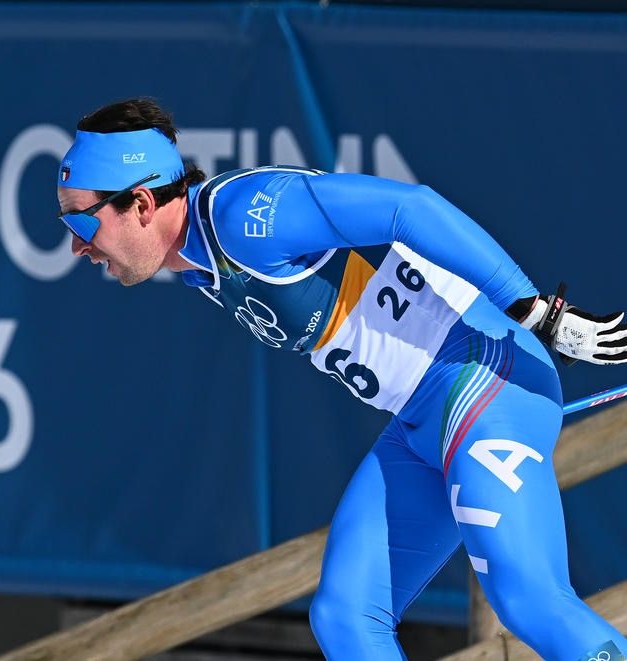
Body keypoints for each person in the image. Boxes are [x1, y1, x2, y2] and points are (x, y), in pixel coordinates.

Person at [55, 98, 627, 661]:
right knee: (346, 617)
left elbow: (410, 208)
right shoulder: (197, 261)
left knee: (529, 600)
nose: (77, 245)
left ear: (142, 203)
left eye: (81, 221)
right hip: (423, 421)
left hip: (484, 381)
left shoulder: (245, 216)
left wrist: (536, 311)